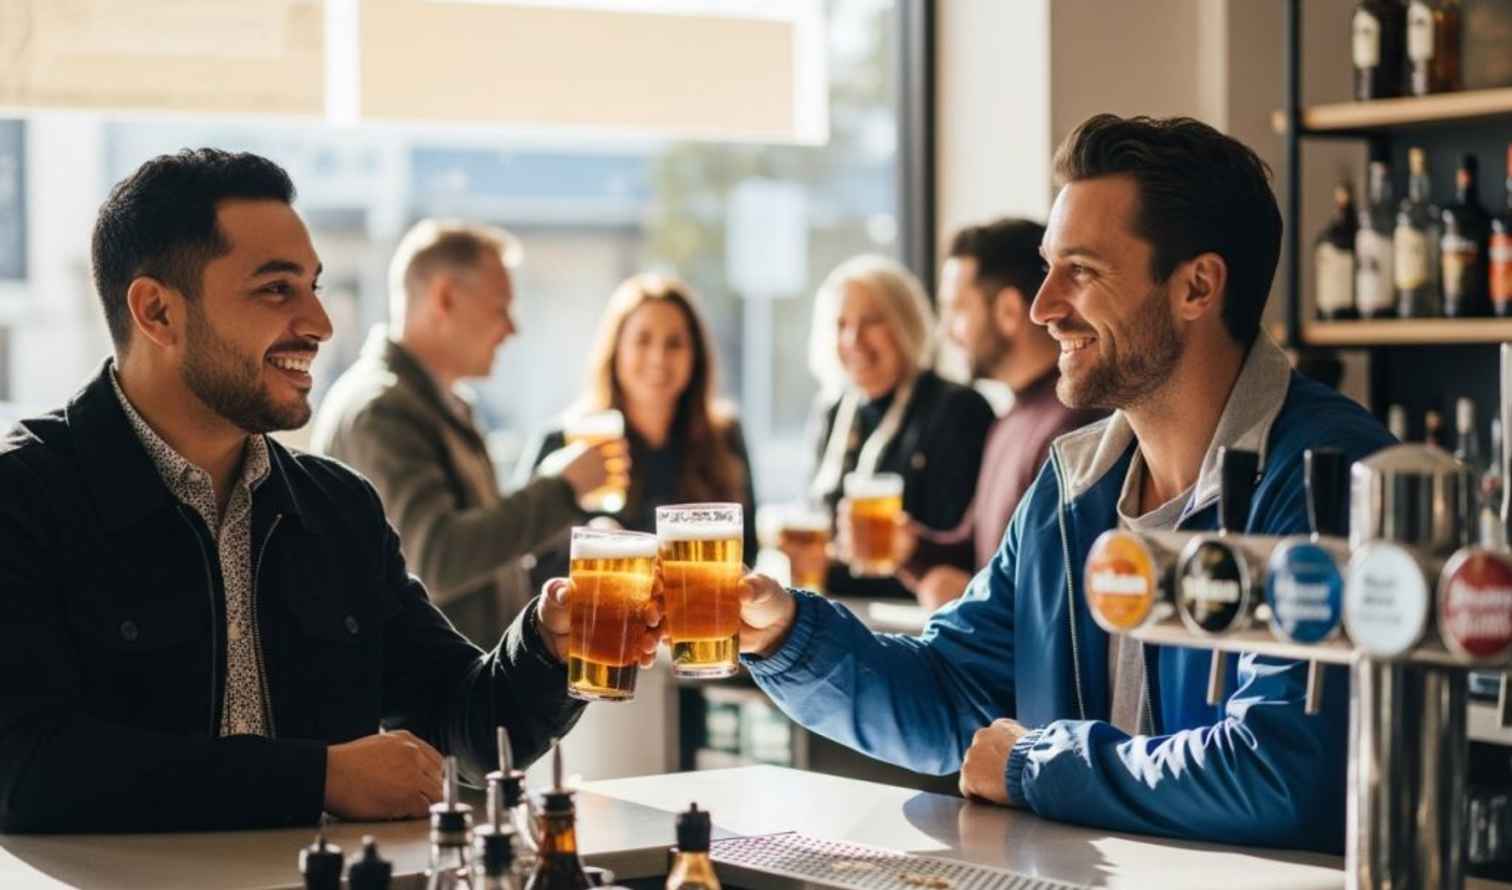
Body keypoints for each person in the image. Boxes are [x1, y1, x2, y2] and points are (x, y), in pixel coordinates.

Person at [731, 115, 1394, 851]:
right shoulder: (1071, 488)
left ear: (1197, 287)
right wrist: (788, 634)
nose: (1043, 307)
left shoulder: (1333, 478)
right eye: (1049, 268)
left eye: (1080, 271)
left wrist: (1033, 765)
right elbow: (951, 691)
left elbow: (1279, 771)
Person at [0, 149, 659, 833]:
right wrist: (318, 777)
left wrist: (548, 647)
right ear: (158, 312)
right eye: (276, 289)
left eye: (313, 286)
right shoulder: (24, 498)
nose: (320, 322)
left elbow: (467, 724)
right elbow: (23, 768)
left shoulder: (336, 507)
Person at [310, 220, 616, 645]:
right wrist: (561, 489)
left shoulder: (441, 404)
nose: (512, 328)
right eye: (500, 307)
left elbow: (480, 554)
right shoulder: (381, 409)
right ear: (446, 298)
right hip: (421, 686)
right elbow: (434, 559)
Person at [900, 219, 1105, 610]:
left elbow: (1057, 597)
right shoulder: (1008, 418)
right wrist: (908, 547)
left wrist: (971, 600)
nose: (948, 332)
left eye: (957, 310)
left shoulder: (1073, 427)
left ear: (1009, 311)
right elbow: (978, 550)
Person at [518, 274, 757, 578]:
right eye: (642, 340)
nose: (658, 358)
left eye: (674, 343)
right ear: (616, 350)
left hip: (696, 607)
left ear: (695, 357)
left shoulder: (724, 438)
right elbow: (523, 560)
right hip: (597, 606)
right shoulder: (565, 440)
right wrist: (589, 544)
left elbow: (747, 554)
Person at [805, 255, 995, 599]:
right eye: (841, 324)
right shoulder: (832, 412)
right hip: (843, 609)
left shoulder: (957, 410)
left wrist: (827, 572)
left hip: (918, 613)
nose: (853, 338)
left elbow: (964, 555)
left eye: (871, 321)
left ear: (907, 324)